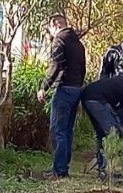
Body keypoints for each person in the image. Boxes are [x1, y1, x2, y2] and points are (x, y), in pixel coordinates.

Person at [37, 14, 87, 178]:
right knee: (67, 131)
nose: (50, 33)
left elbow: (56, 65)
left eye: (49, 29)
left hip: (64, 89)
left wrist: (44, 86)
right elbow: (82, 68)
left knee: (58, 130)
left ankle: (59, 170)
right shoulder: (78, 43)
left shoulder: (59, 40)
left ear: (55, 25)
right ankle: (63, 167)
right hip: (76, 89)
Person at [80, 75, 123, 181]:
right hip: (96, 99)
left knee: (102, 134)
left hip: (89, 96)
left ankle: (103, 170)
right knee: (113, 133)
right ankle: (110, 171)